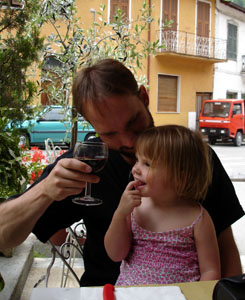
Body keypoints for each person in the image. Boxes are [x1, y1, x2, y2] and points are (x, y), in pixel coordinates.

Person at [0, 59, 244, 286]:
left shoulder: (190, 159)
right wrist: (44, 191)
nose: (129, 141)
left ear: (144, 97)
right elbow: (4, 236)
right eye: (110, 134)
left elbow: (225, 249)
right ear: (92, 126)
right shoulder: (82, 166)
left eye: (132, 122)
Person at [105, 125, 221, 285]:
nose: (135, 169)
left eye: (147, 164)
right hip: (131, 294)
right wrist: (120, 213)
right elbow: (115, 254)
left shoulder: (197, 218)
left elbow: (210, 270)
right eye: (137, 160)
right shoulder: (134, 208)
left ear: (180, 175)